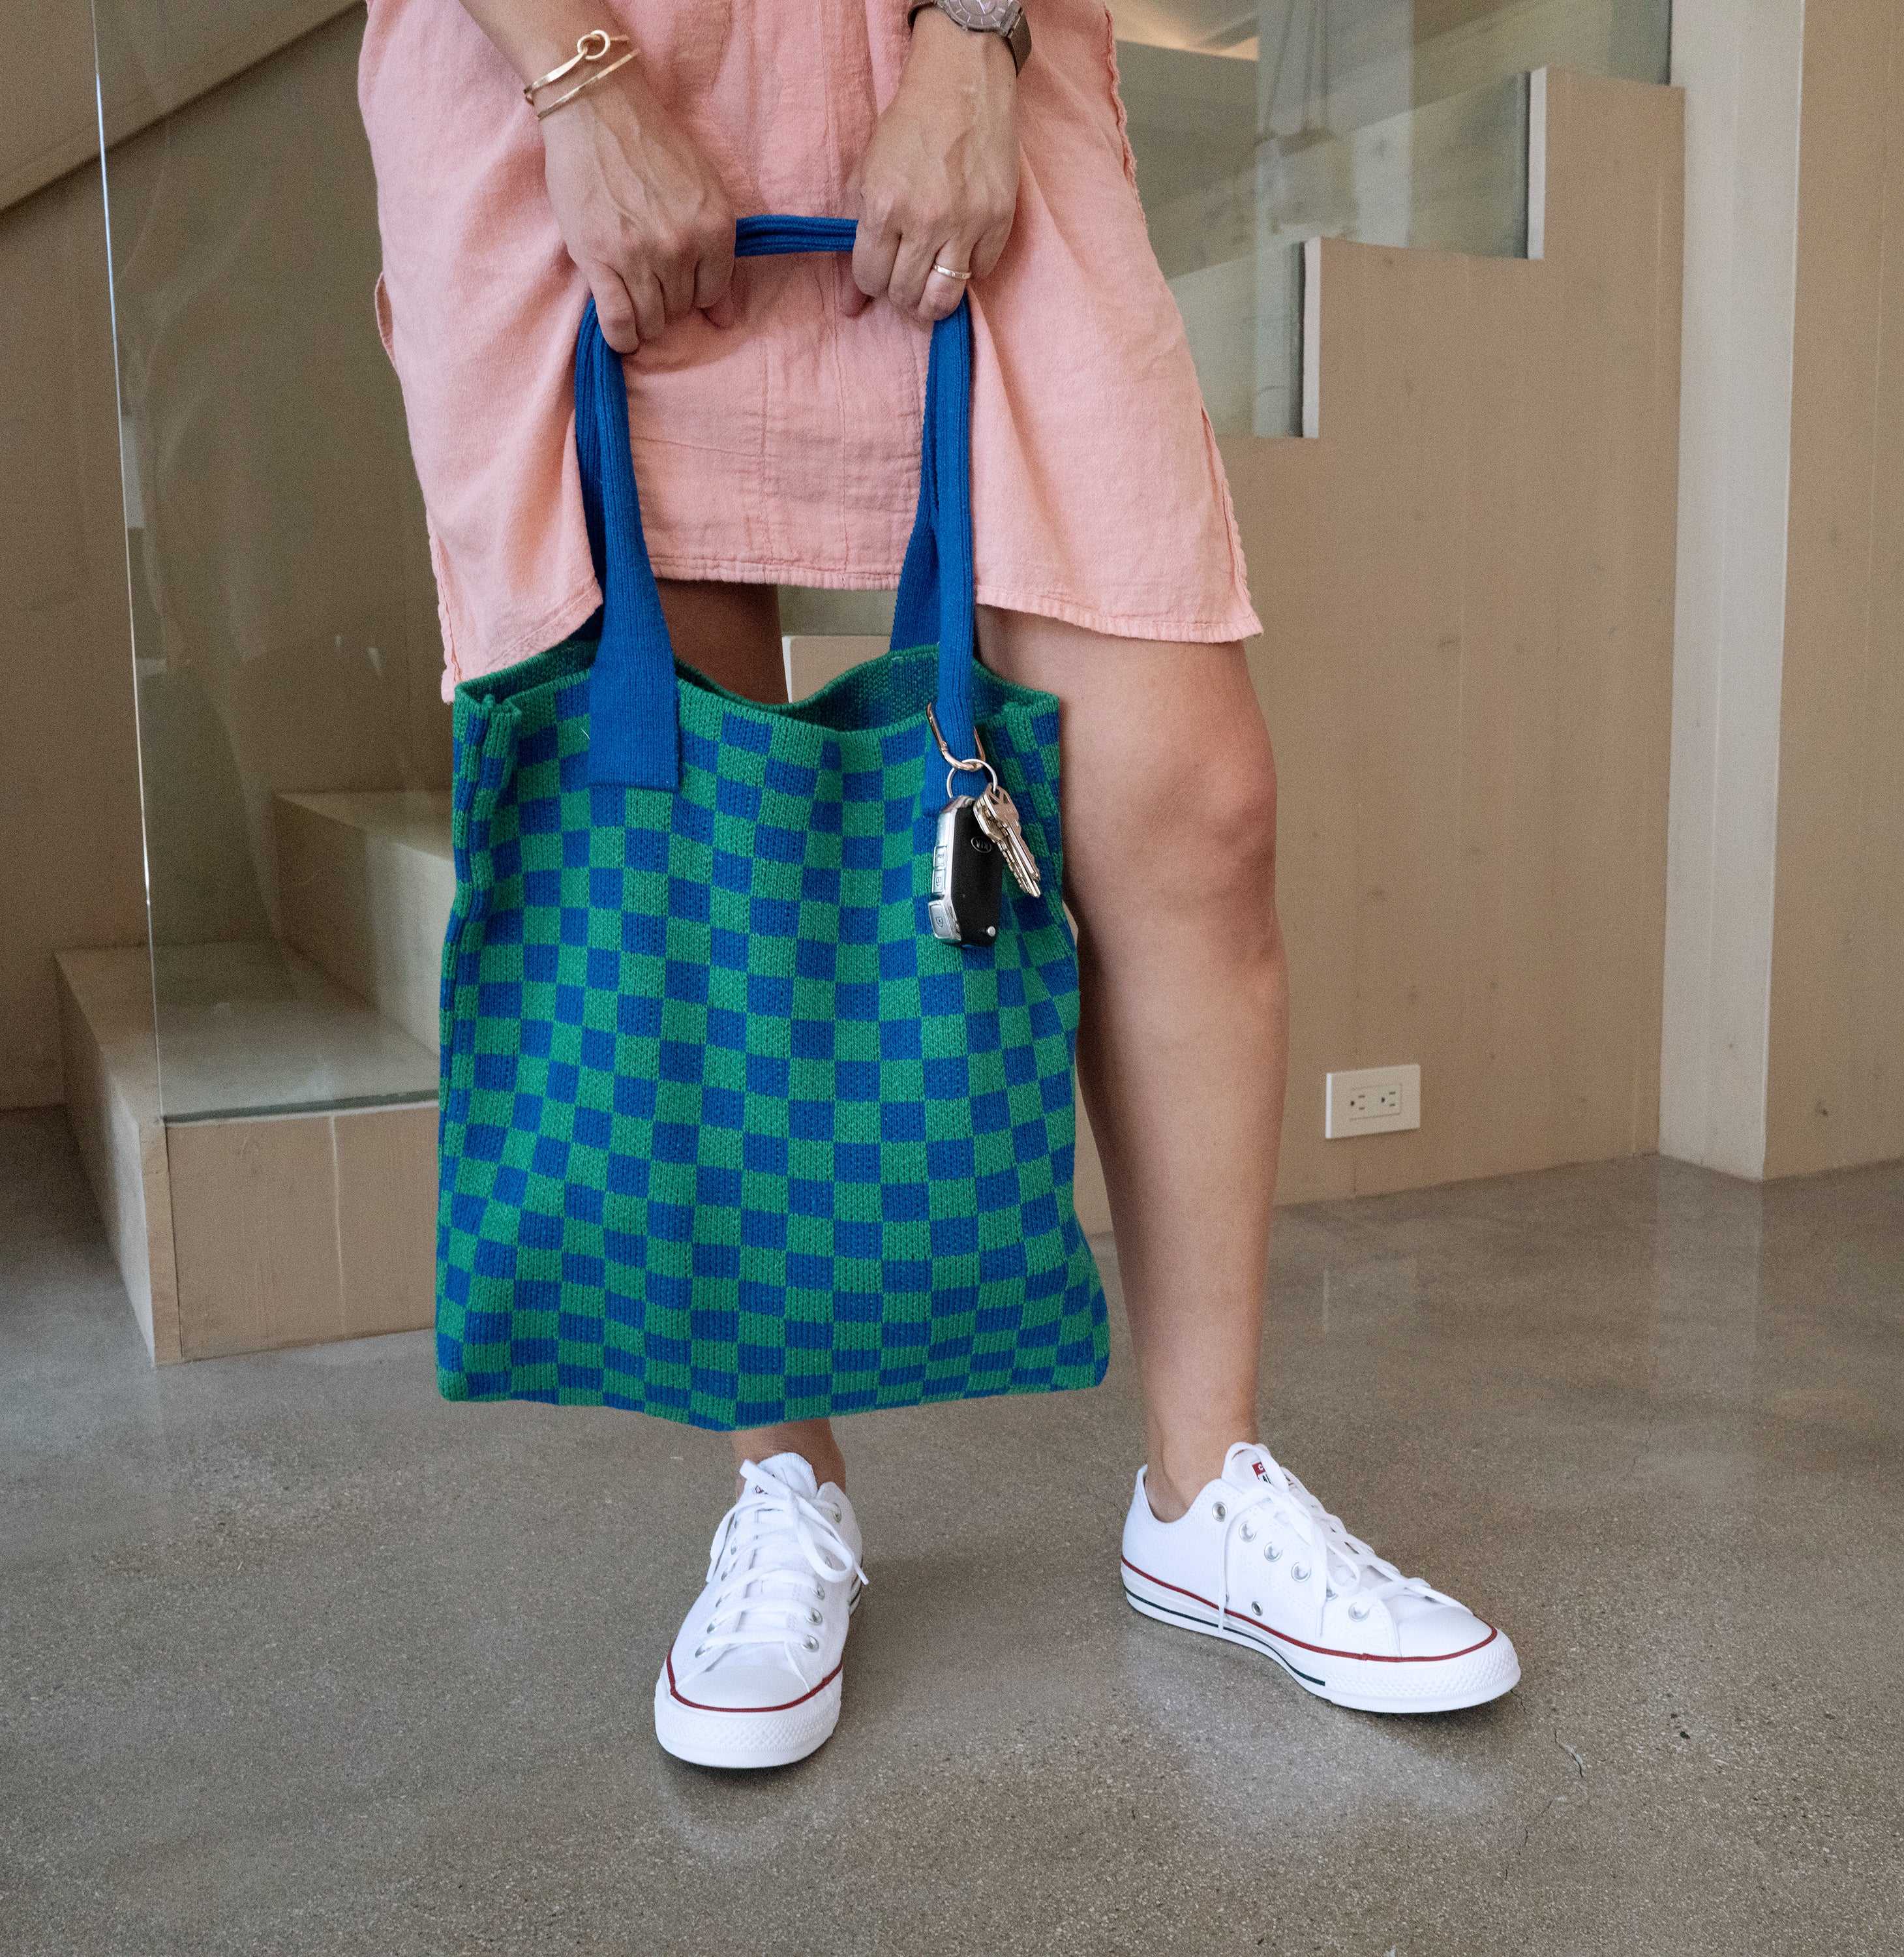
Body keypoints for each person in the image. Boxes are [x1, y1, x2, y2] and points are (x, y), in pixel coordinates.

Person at [360, 0, 1519, 1770]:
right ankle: (785, 1488)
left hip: (956, 44)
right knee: (693, 834)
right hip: (569, 64)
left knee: (1191, 807)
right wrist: (578, 79)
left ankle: (1206, 1496)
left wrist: (978, 44)